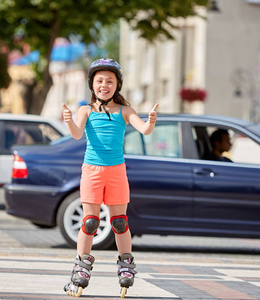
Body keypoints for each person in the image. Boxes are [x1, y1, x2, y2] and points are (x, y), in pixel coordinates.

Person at [61, 58, 158, 297]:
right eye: (100, 80)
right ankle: (81, 267)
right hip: (92, 171)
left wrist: (151, 122)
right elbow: (75, 135)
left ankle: (126, 265)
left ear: (117, 85)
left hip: (116, 172)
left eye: (110, 81)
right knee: (90, 222)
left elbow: (144, 129)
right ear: (92, 84)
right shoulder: (85, 110)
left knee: (119, 222)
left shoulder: (125, 111)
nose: (105, 85)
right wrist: (69, 121)